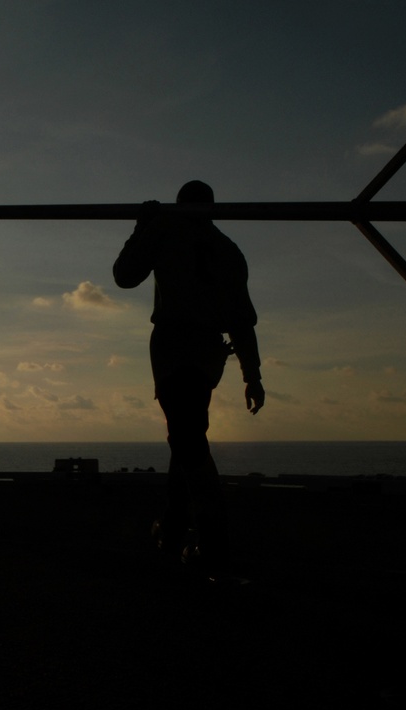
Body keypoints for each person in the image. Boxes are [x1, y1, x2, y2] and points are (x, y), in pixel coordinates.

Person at [113, 180, 264, 577]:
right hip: (208, 350)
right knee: (187, 430)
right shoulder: (230, 251)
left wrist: (142, 226)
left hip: (174, 342)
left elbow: (125, 275)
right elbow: (242, 324)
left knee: (185, 436)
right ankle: (176, 524)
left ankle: (212, 538)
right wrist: (253, 375)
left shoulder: (165, 229)